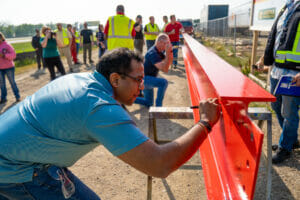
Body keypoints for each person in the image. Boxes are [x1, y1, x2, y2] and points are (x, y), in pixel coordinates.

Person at [0, 47, 220, 199]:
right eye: (139, 80)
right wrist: (206, 122)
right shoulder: (100, 108)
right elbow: (159, 164)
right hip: (16, 168)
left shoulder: (83, 80)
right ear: (115, 79)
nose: (142, 87)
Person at [256, 0, 300, 164]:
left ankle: (286, 147)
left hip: (293, 74)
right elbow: (277, 38)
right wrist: (263, 59)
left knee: (289, 112)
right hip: (277, 71)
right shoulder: (286, 7)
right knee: (276, 106)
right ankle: (291, 138)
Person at [135, 33, 173, 107]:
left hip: (146, 79)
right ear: (159, 42)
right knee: (163, 82)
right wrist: (168, 53)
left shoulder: (158, 51)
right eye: (166, 43)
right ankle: (159, 108)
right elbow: (165, 69)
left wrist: (170, 52)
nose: (167, 45)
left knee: (149, 103)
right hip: (144, 80)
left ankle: (125, 100)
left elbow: (169, 63)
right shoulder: (153, 53)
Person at [0, 32, 20, 104]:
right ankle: (3, 98)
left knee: (12, 82)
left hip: (9, 67)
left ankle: (17, 96)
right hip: (0, 68)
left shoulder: (7, 45)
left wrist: (4, 55)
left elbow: (13, 55)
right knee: (1, 84)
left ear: (1, 37)